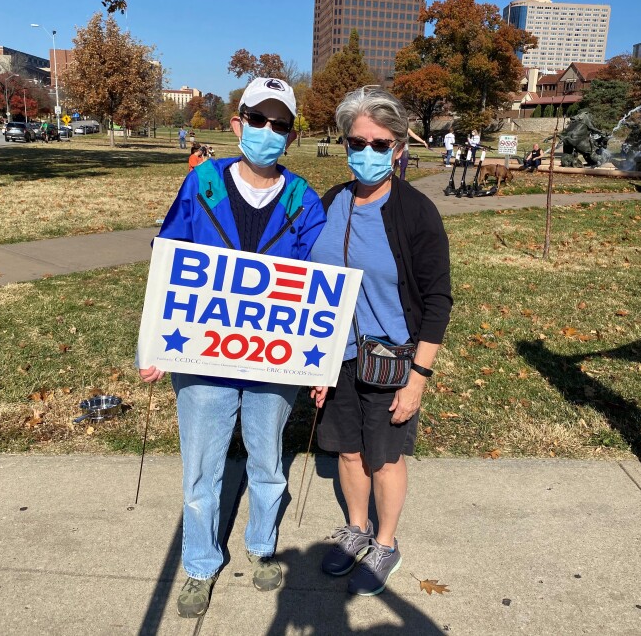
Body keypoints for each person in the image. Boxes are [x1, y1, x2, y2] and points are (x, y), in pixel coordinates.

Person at [138, 77, 326, 618]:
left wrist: (321, 358)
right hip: (201, 352)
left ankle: (262, 547)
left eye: (281, 124)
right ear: (237, 123)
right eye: (258, 119)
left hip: (274, 358)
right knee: (201, 469)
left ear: (290, 136)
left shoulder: (302, 199)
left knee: (268, 463)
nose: (268, 132)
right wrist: (151, 342)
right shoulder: (203, 183)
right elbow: (169, 256)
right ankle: (200, 563)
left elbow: (321, 283)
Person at [309, 87, 452, 596]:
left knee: (384, 458)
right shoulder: (331, 202)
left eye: (380, 142)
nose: (367, 152)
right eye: (357, 141)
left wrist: (419, 379)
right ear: (345, 144)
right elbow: (311, 283)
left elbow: (438, 301)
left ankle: (385, 542)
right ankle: (356, 528)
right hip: (338, 356)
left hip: (394, 360)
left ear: (398, 148)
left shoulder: (416, 213)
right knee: (348, 453)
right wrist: (314, 363)